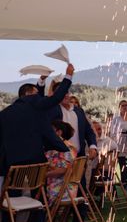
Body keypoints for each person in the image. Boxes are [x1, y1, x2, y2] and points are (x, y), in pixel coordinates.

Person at [0, 64, 74, 192]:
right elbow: (55, 98)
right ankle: (39, 212)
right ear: (28, 94)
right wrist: (68, 76)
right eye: (36, 95)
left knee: (12, 194)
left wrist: (41, 82)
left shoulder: (5, 113)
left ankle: (10, 212)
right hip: (34, 160)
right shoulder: (33, 105)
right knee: (38, 192)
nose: (39, 98)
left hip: (12, 161)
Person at [45, 120, 78, 205]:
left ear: (59, 132)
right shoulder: (70, 146)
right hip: (71, 189)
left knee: (30, 189)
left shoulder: (62, 148)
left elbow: (63, 170)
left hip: (60, 190)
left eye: (51, 130)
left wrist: (42, 175)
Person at [109, 100, 127, 188]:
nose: (125, 107)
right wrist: (114, 141)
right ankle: (124, 181)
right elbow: (112, 130)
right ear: (119, 107)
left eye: (126, 105)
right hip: (120, 139)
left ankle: (125, 179)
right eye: (123, 105)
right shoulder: (116, 119)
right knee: (122, 161)